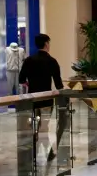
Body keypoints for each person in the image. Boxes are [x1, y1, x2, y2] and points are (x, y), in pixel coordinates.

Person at [19, 33, 64, 162]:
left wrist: (30, 84)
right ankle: (49, 152)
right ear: (46, 44)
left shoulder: (29, 60)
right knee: (44, 126)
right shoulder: (52, 61)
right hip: (46, 100)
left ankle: (33, 153)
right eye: (49, 43)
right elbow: (58, 84)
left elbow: (21, 79)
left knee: (34, 126)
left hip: (32, 99)